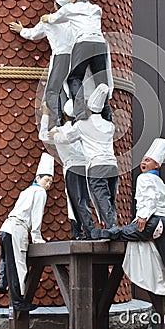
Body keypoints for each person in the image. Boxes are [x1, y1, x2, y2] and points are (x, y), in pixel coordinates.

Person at [91, 138, 165, 315]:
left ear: (156, 165)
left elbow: (148, 199)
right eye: (144, 159)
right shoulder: (162, 183)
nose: (143, 163)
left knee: (127, 232)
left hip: (153, 221)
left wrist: (143, 216)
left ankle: (107, 232)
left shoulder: (144, 178)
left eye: (148, 160)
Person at [41, 0, 113, 122]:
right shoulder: (96, 9)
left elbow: (54, 18)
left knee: (74, 78)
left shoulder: (69, 9)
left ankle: (80, 114)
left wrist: (46, 18)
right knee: (100, 79)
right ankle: (106, 113)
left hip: (83, 43)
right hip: (100, 44)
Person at [49, 84, 118, 229]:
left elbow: (66, 139)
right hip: (112, 165)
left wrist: (55, 134)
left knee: (101, 196)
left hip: (96, 165)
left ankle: (112, 227)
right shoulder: (109, 126)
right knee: (111, 198)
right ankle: (112, 223)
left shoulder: (82, 124)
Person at [9, 0, 74, 130]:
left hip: (61, 57)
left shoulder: (49, 21)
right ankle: (73, 120)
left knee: (52, 91)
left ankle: (58, 123)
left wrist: (21, 30)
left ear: (56, 6)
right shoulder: (75, 19)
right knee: (71, 90)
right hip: (77, 57)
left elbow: (33, 34)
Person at [0, 153, 54, 311]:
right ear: (38, 178)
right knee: (18, 265)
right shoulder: (39, 193)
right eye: (46, 180)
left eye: (50, 181)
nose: (48, 184)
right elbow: (36, 216)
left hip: (6, 227)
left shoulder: (26, 191)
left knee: (7, 261)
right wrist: (36, 237)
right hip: (17, 228)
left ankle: (2, 283)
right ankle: (18, 301)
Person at [39, 100, 95, 239]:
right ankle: (84, 230)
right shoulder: (83, 129)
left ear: (64, 115)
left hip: (72, 168)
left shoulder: (60, 131)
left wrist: (45, 114)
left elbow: (42, 135)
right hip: (86, 167)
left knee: (75, 200)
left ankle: (83, 231)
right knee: (83, 199)